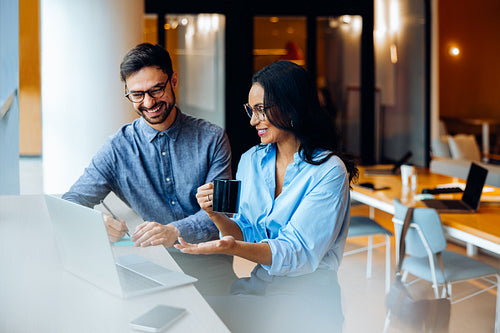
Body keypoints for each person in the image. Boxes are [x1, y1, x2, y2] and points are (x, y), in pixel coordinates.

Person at [175, 60, 358, 277]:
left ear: (291, 108)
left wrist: (230, 247)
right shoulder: (250, 160)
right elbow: (246, 234)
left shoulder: (328, 171)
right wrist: (214, 215)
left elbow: (296, 253)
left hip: (310, 295)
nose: (253, 121)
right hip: (262, 280)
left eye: (261, 110)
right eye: (251, 110)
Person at [62, 43, 232, 247]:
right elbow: (70, 201)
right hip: (151, 258)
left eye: (156, 90)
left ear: (174, 81)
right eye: (137, 95)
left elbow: (223, 211)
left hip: (210, 260)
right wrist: (96, 223)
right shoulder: (117, 148)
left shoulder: (212, 138)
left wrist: (174, 231)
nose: (149, 102)